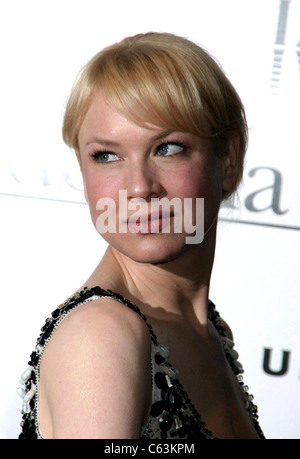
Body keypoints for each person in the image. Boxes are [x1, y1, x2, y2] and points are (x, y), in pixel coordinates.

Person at [18, 32, 265, 439]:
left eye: (167, 148)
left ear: (228, 160)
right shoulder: (101, 336)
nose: (138, 187)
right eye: (107, 156)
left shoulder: (211, 331)